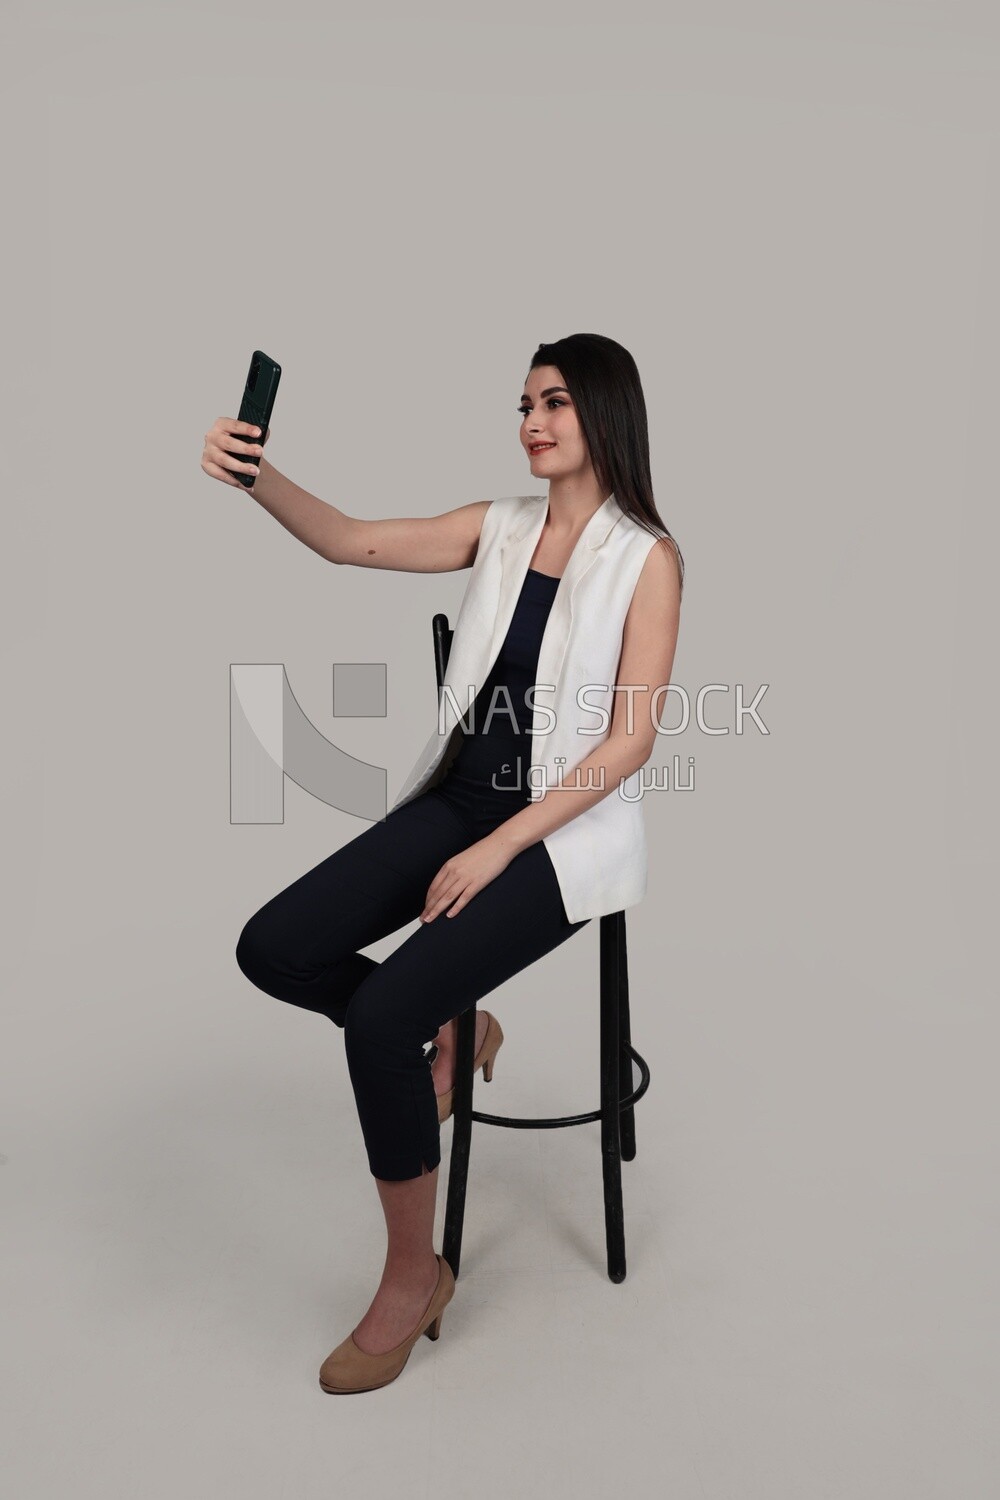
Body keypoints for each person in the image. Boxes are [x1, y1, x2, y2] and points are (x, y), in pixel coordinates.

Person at [201, 332, 683, 1393]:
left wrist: (501, 847)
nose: (531, 421)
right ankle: (465, 1035)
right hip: (459, 802)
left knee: (378, 1021)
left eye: (553, 402)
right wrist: (258, 477)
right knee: (275, 947)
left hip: (559, 839)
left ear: (603, 413)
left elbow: (628, 743)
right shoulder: (500, 528)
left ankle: (413, 1274)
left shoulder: (647, 558)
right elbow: (350, 543)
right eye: (522, 403)